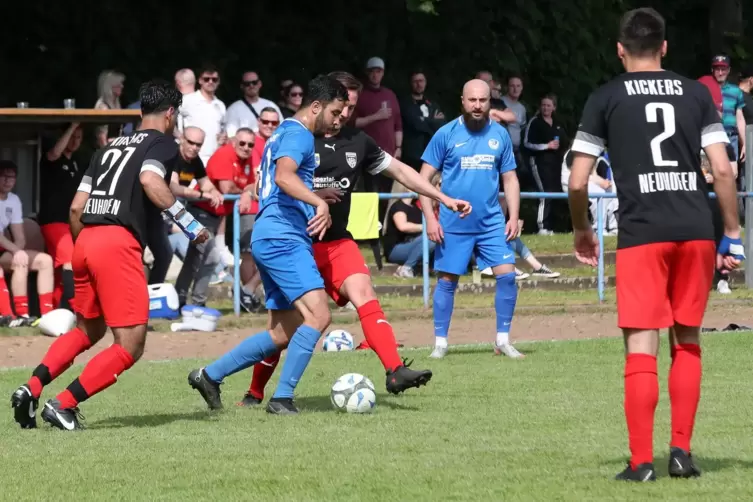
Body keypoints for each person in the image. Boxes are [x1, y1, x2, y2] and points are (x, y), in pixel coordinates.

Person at [568, 8, 744, 481]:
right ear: (665, 47)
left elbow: (579, 180)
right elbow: (723, 170)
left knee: (641, 346)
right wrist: (732, 231)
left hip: (643, 233)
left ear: (620, 49)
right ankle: (682, 453)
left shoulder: (605, 97)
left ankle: (641, 461)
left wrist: (582, 228)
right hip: (694, 229)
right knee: (686, 341)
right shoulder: (696, 94)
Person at [237, 72, 470, 406]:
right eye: (340, 106)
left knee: (364, 293)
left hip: (336, 242)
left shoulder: (359, 142)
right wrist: (261, 190)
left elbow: (402, 172)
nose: (344, 114)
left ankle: (394, 369)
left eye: (350, 107)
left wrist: (442, 198)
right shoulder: (301, 134)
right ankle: (255, 392)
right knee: (284, 327)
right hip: (296, 242)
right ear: (323, 104)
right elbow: (274, 179)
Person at [10, 80, 209, 430]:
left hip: (85, 239)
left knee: (88, 329)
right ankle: (64, 404)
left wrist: (84, 248)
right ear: (171, 114)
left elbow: (76, 208)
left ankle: (32, 387)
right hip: (116, 243)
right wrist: (191, 224)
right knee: (130, 344)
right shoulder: (163, 143)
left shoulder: (108, 147)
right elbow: (150, 180)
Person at [187, 75, 349, 416]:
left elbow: (279, 185)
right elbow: (283, 178)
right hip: (282, 236)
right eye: (336, 111)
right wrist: (318, 205)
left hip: (270, 233)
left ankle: (209, 376)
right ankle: (282, 398)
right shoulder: (298, 134)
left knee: (282, 331)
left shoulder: (283, 133)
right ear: (316, 106)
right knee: (319, 315)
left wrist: (314, 195)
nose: (339, 119)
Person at [418, 79, 524, 360]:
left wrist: (513, 216)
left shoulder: (500, 135)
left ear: (490, 102)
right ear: (463, 101)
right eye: (472, 100)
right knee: (447, 282)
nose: (478, 106)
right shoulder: (445, 134)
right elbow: (422, 180)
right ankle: (440, 343)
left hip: (490, 222)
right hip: (454, 224)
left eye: (483, 100)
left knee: (508, 276)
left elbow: (510, 178)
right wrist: (431, 218)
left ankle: (502, 340)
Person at [0, 161, 55, 326]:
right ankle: (9, 316)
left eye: (12, 177)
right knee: (17, 259)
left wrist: (18, 251)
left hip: (5, 250)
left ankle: (46, 317)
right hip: (5, 248)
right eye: (4, 176)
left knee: (45, 261)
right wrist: (17, 251)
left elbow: (20, 236)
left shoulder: (14, 200)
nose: (8, 180)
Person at [38, 123, 86, 310]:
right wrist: (73, 125)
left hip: (70, 223)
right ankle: (78, 309)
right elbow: (55, 153)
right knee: (70, 261)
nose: (75, 141)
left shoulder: (76, 163)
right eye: (72, 136)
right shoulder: (51, 158)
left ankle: (54, 311)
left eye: (79, 137)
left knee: (59, 273)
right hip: (53, 222)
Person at [383, 181, 436, 278]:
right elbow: (403, 226)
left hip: (413, 244)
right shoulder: (398, 206)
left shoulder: (416, 208)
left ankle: (433, 268)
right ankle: (406, 268)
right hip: (395, 249)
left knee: (435, 236)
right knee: (430, 237)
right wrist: (425, 227)